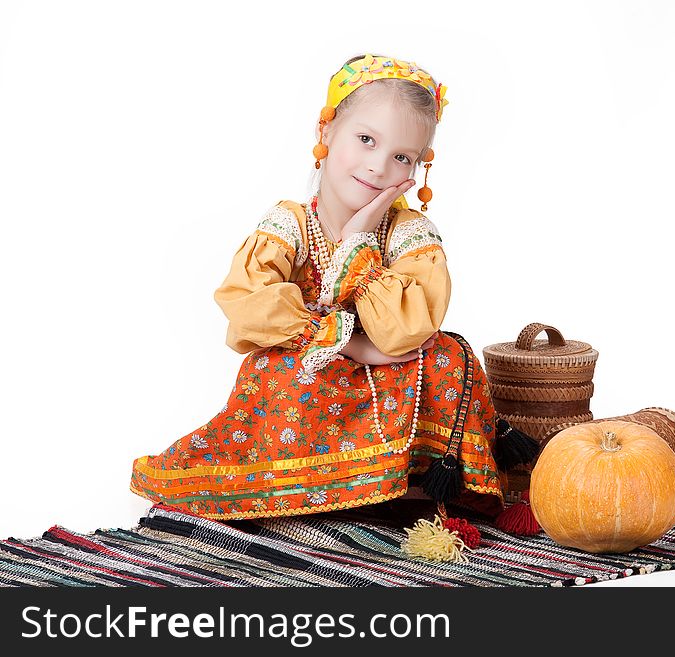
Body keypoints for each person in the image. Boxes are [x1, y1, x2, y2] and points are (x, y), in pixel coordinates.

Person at [129, 53, 536, 526]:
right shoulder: (290, 224)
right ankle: (306, 485)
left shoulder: (409, 233)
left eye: (401, 156)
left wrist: (361, 237)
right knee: (275, 373)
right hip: (311, 364)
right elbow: (248, 305)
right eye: (366, 140)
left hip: (391, 368)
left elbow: (407, 330)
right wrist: (349, 343)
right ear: (325, 133)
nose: (379, 167)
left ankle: (408, 483)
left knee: (448, 357)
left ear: (419, 166)